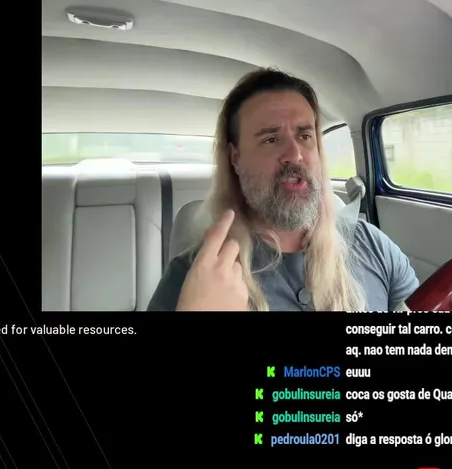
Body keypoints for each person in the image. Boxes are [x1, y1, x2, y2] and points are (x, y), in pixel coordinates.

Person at [148, 68, 419, 311]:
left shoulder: (373, 247)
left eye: (305, 136)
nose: (295, 154)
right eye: (271, 139)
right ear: (235, 157)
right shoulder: (195, 278)